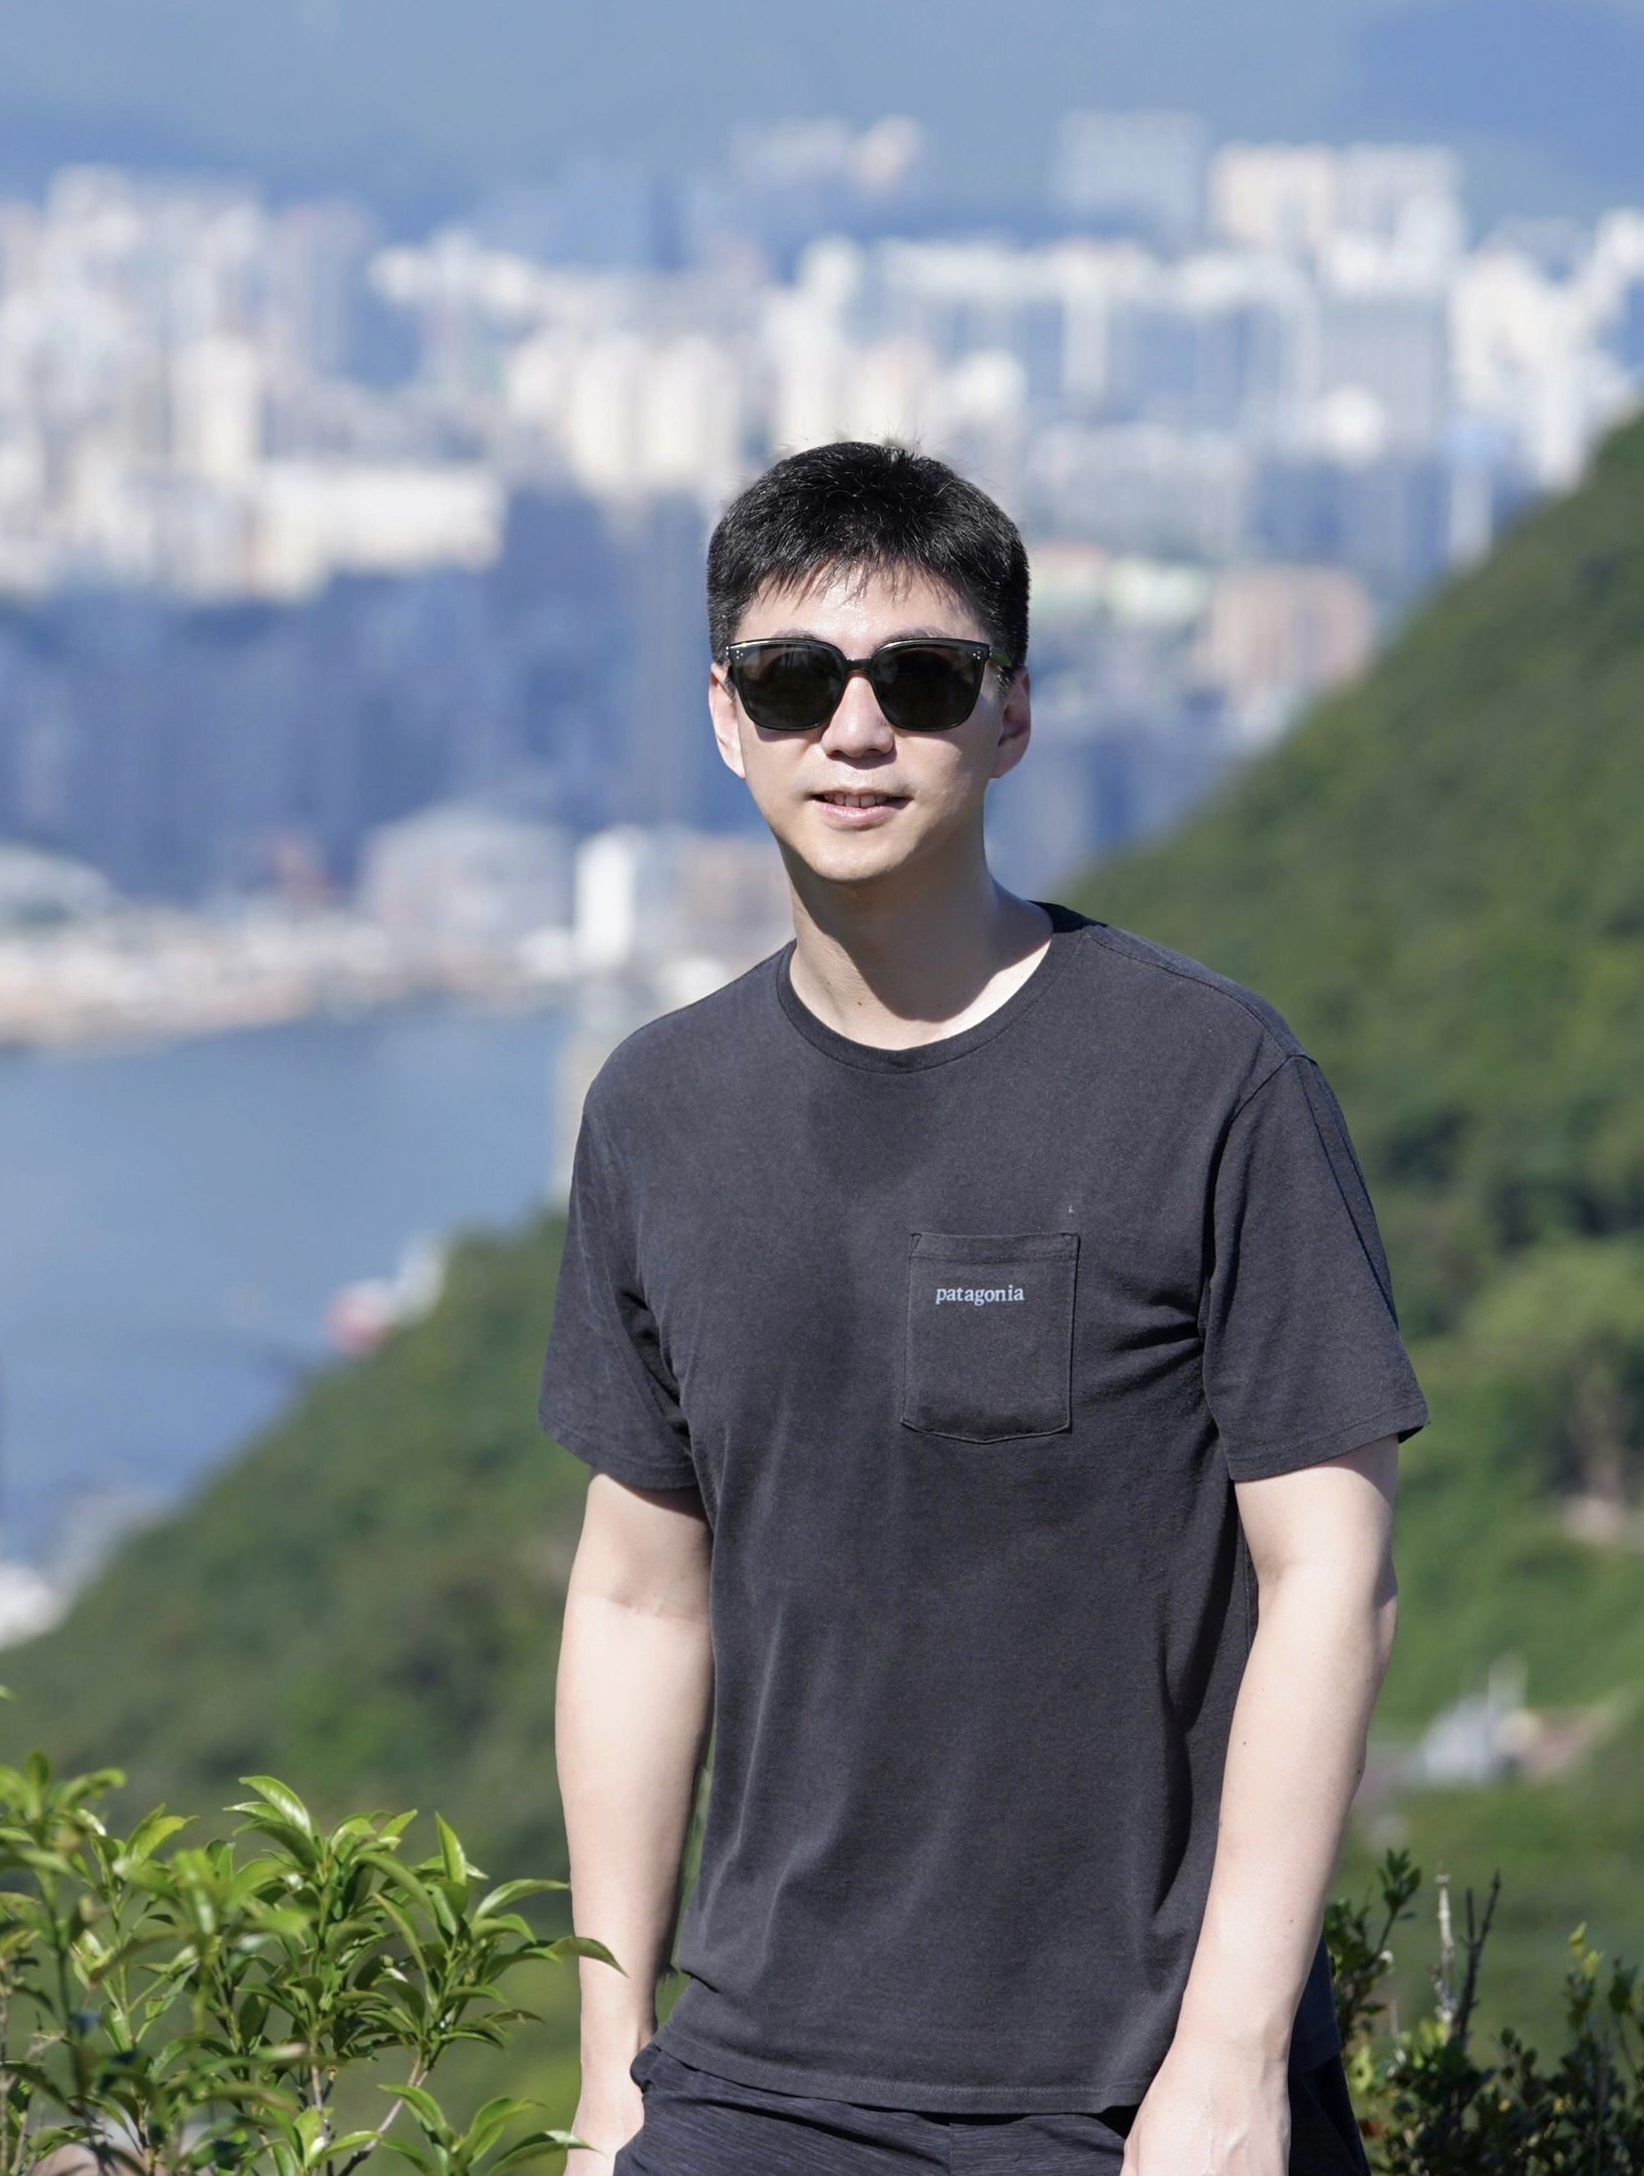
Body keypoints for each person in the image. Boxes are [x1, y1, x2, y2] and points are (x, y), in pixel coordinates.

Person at [547, 441, 1426, 2176]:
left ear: (1012, 715)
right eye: (795, 683)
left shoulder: (1208, 1080)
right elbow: (639, 1599)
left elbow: (1334, 1575)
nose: (855, 731)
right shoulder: (657, 1111)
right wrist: (607, 2074)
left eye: (923, 680)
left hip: (1130, 2089)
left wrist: (1234, 2059)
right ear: (726, 718)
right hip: (750, 2084)